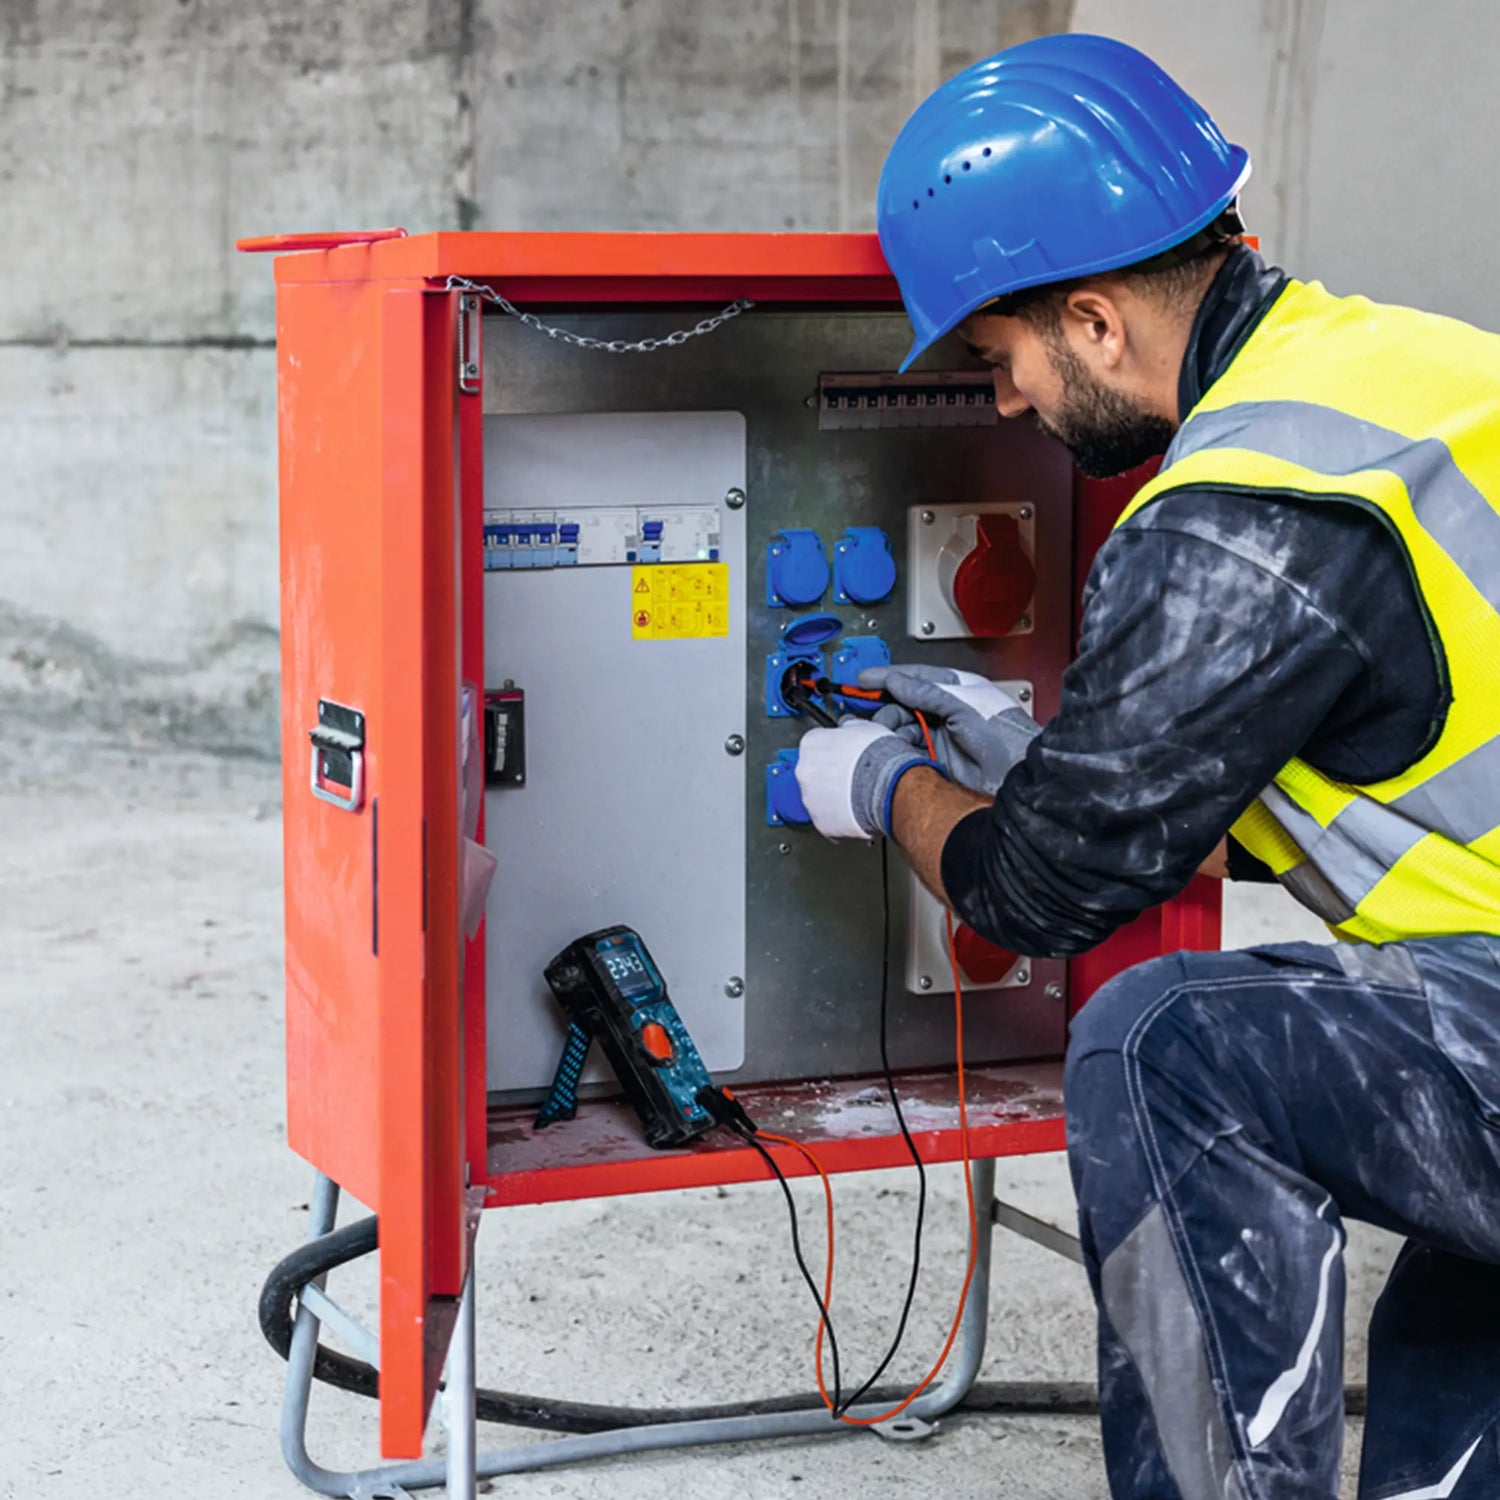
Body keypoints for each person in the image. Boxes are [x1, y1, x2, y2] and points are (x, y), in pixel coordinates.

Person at [794, 33, 1500, 1500]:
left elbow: (1041, 891)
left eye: (999, 360)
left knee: (1168, 1043)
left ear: (1096, 322)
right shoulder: (1407, 375)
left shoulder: (1240, 511)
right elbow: (1403, 743)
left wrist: (881, 785)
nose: (1004, 405)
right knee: (1451, 1346)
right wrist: (1066, 768)